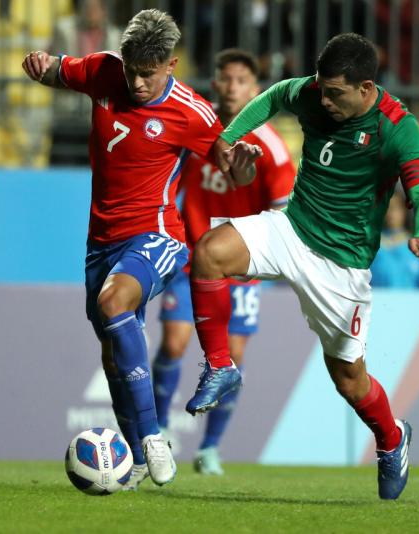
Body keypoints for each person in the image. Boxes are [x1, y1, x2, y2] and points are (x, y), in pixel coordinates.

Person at [183, 33, 419, 500]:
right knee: (209, 251)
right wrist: (227, 137)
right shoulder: (313, 92)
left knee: (348, 379)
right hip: (292, 228)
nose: (323, 100)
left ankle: (392, 437)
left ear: (367, 88)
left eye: (336, 93)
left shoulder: (396, 127)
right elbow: (272, 96)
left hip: (341, 266)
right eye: (321, 89)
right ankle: (220, 365)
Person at [21, 9, 261, 489]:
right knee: (113, 355)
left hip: (159, 235)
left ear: (170, 65)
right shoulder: (104, 70)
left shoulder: (192, 112)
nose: (135, 81)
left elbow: (237, 171)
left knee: (114, 302)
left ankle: (153, 437)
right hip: (100, 243)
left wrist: (245, 164)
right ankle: (131, 463)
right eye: (130, 69)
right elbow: (60, 71)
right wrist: (41, 65)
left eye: (147, 73)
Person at [152, 49, 295, 475]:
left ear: (255, 90)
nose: (233, 88)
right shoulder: (197, 128)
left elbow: (282, 213)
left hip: (240, 264)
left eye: (241, 81)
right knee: (174, 344)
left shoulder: (271, 148)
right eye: (226, 79)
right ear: (215, 83)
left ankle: (210, 448)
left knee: (232, 356)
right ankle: (157, 433)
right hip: (192, 257)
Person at [370, 190, 419, 288]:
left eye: (395, 208)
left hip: (411, 303)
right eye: (386, 207)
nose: (390, 213)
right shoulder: (370, 245)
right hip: (377, 302)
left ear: (405, 210)